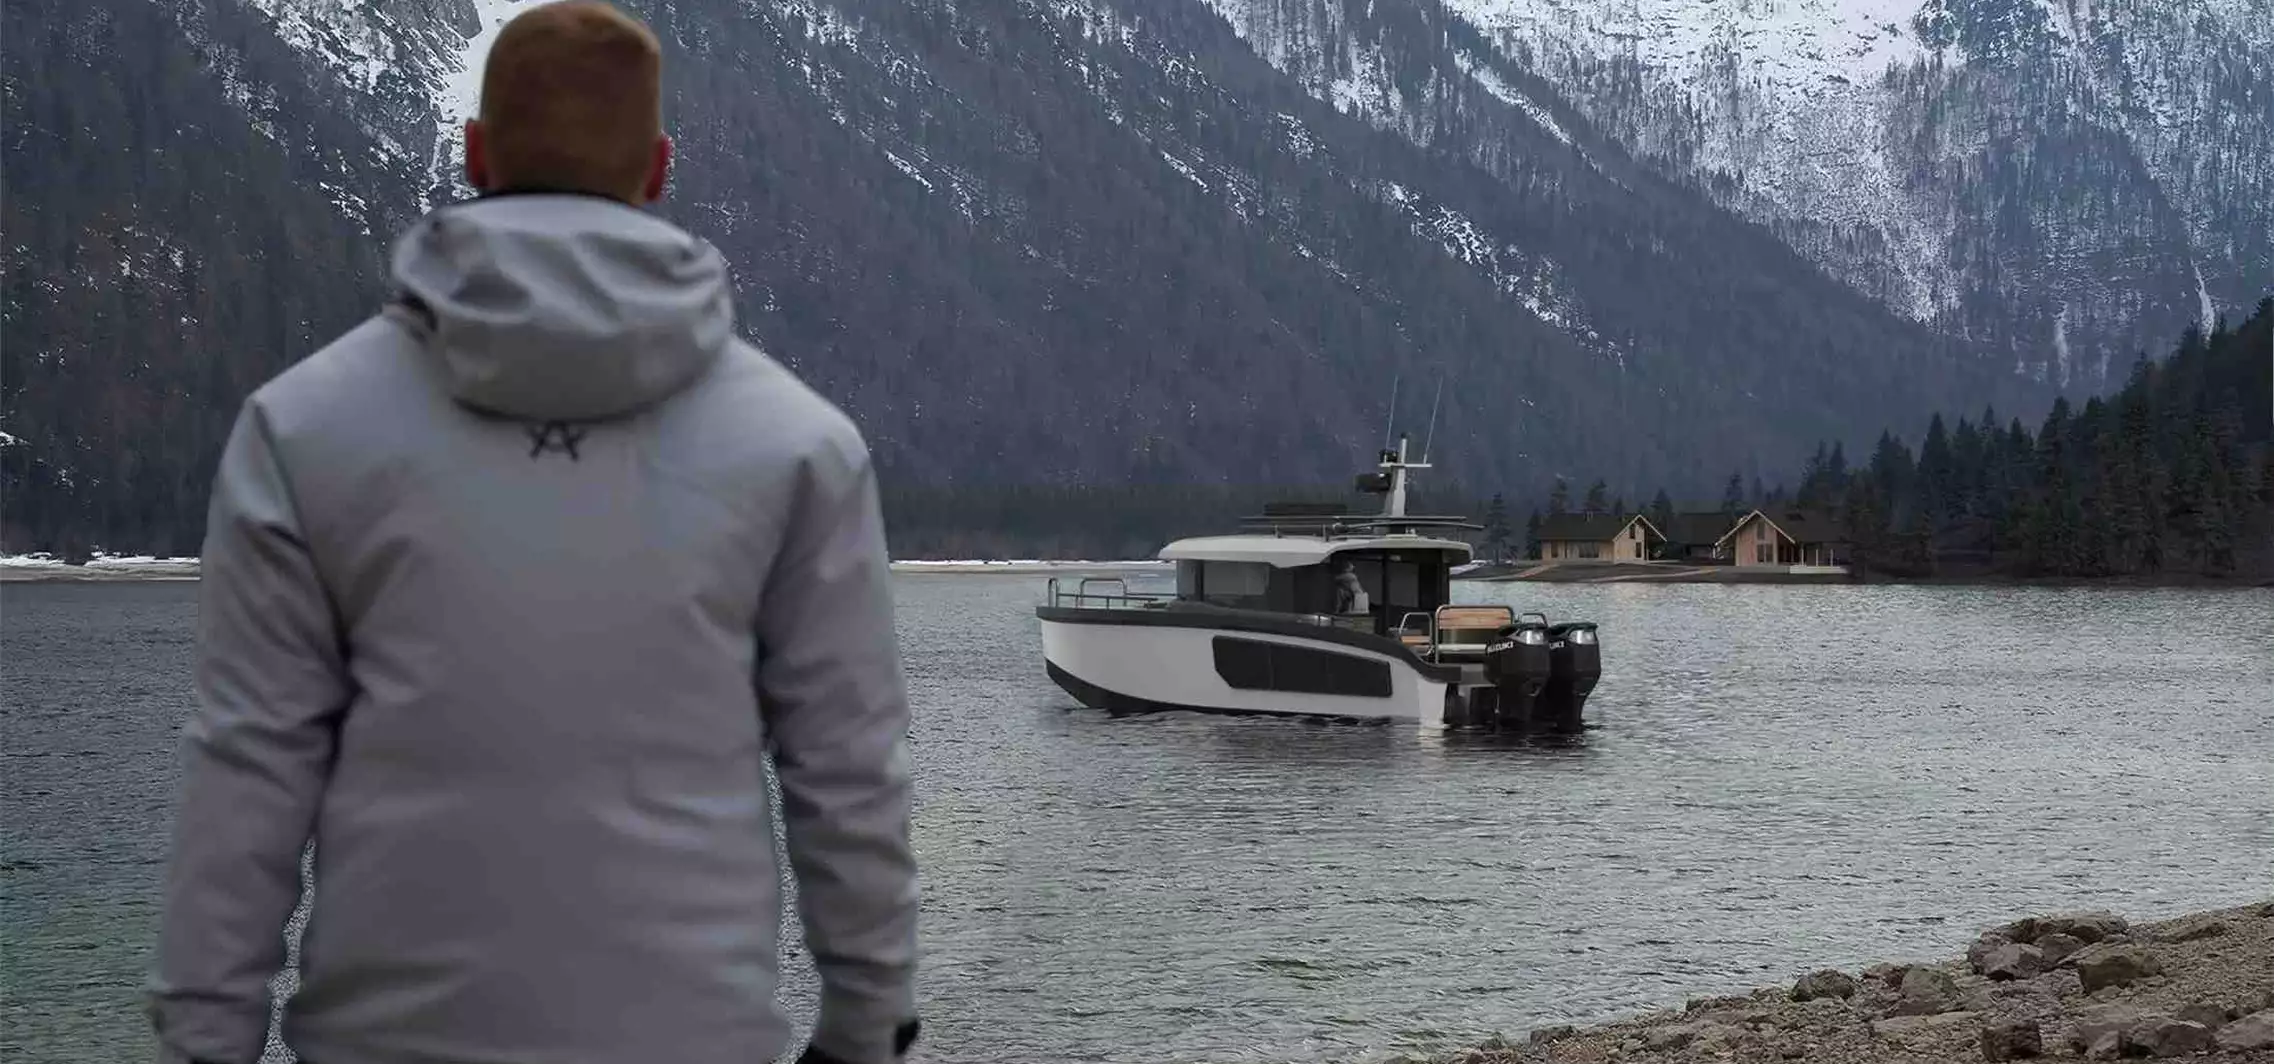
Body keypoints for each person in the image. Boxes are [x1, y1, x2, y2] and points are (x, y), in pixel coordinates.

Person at [143, 3, 919, 1063]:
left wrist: (204, 1037)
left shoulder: (303, 426)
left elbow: (251, 770)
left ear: (475, 155)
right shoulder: (799, 445)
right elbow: (848, 768)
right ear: (657, 168)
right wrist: (867, 1023)